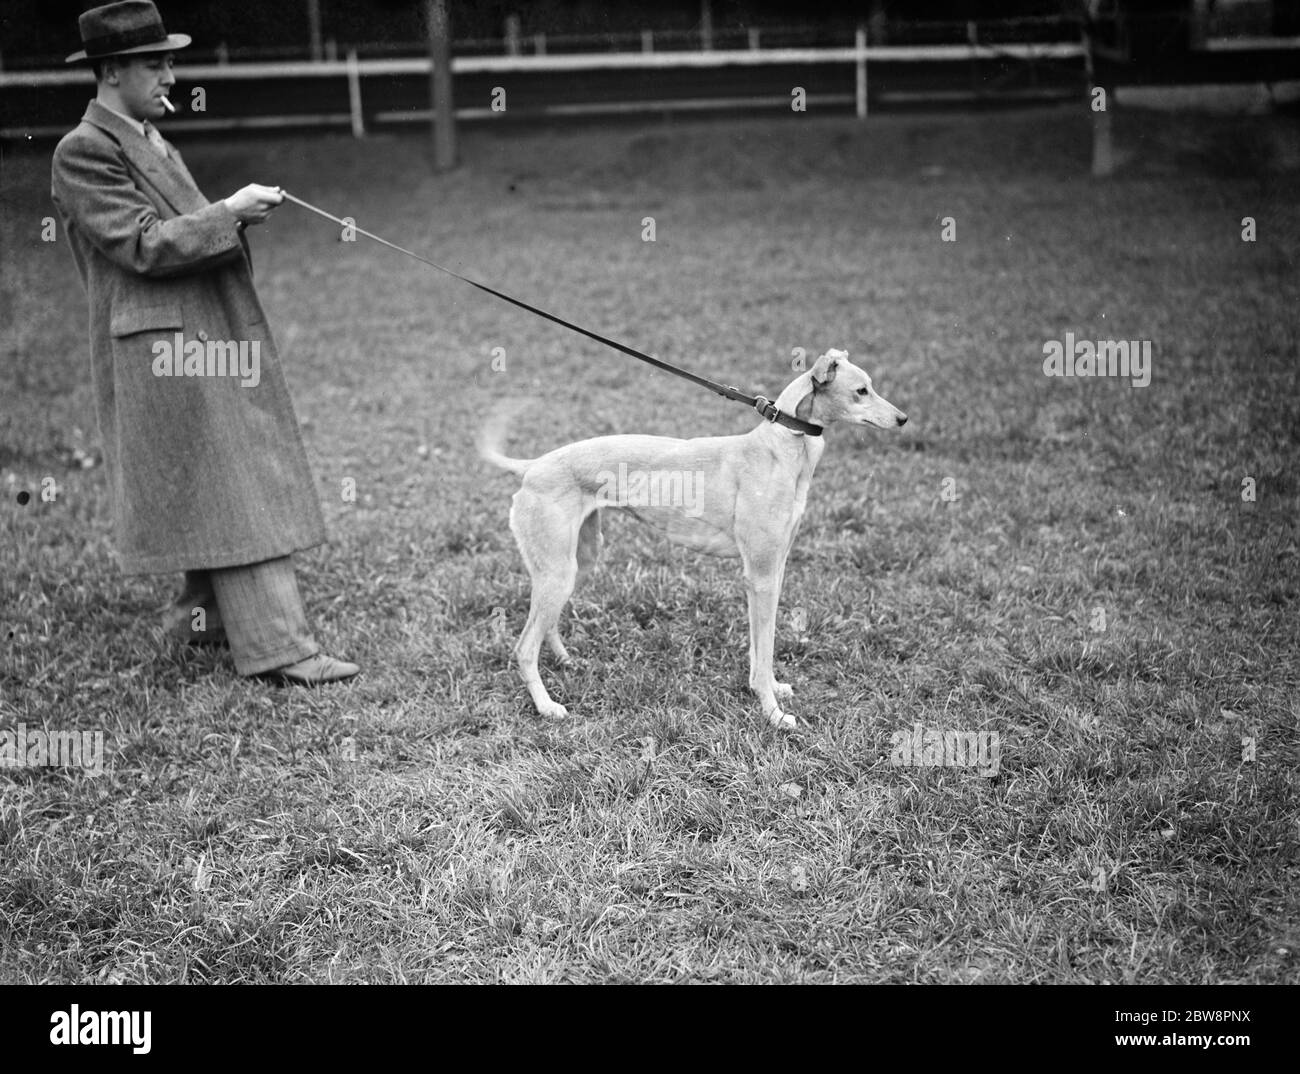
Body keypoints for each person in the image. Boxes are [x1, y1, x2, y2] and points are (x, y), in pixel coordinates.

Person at [51, 1, 359, 686]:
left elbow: (176, 231)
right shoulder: (84, 150)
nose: (171, 74)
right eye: (155, 63)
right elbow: (140, 244)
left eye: (169, 59)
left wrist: (229, 216)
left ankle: (205, 623)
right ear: (110, 71)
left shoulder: (148, 138)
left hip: (199, 331)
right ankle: (281, 649)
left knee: (214, 479)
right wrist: (229, 213)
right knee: (236, 481)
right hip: (164, 347)